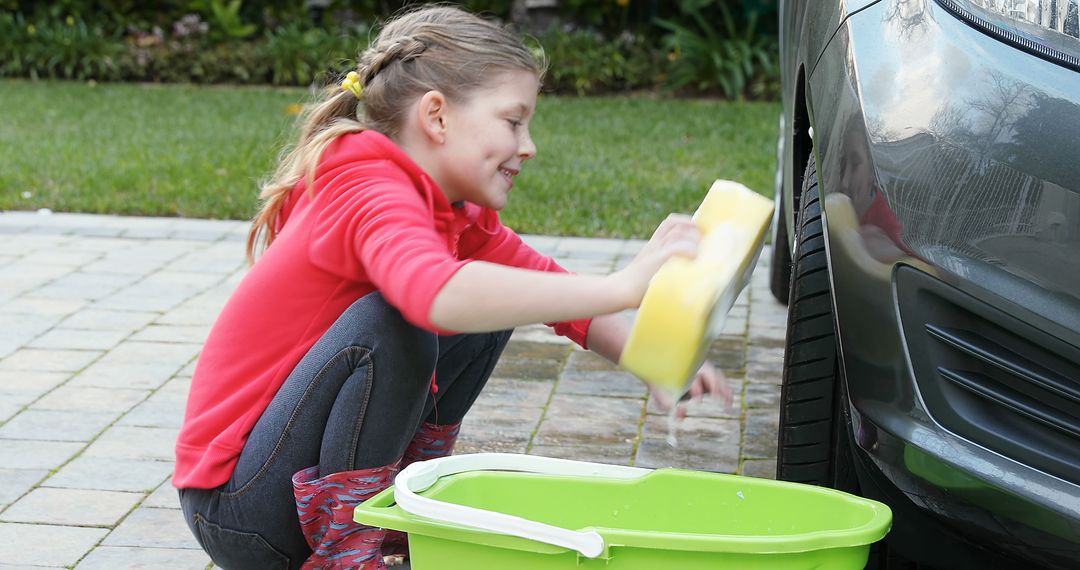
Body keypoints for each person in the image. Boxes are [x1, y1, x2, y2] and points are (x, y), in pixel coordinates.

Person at [174, 6, 730, 570]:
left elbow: (548, 289)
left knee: (494, 304)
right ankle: (349, 548)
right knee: (394, 321)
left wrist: (656, 359)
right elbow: (433, 295)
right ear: (436, 117)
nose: (529, 145)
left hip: (280, 488)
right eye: (513, 122)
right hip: (241, 512)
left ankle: (401, 512)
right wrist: (623, 285)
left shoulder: (451, 211)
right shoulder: (369, 186)